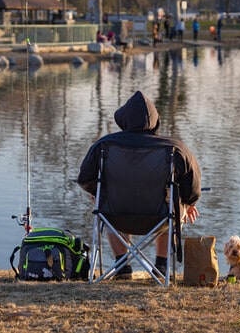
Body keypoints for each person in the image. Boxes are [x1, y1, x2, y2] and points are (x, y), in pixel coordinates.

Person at [77, 91, 202, 279]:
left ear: (124, 120)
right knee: (174, 206)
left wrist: (98, 192)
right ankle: (161, 266)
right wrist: (188, 203)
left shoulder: (104, 145)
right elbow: (192, 189)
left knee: (104, 202)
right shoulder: (175, 148)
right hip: (159, 217)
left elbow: (85, 179)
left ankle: (122, 266)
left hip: (115, 215)